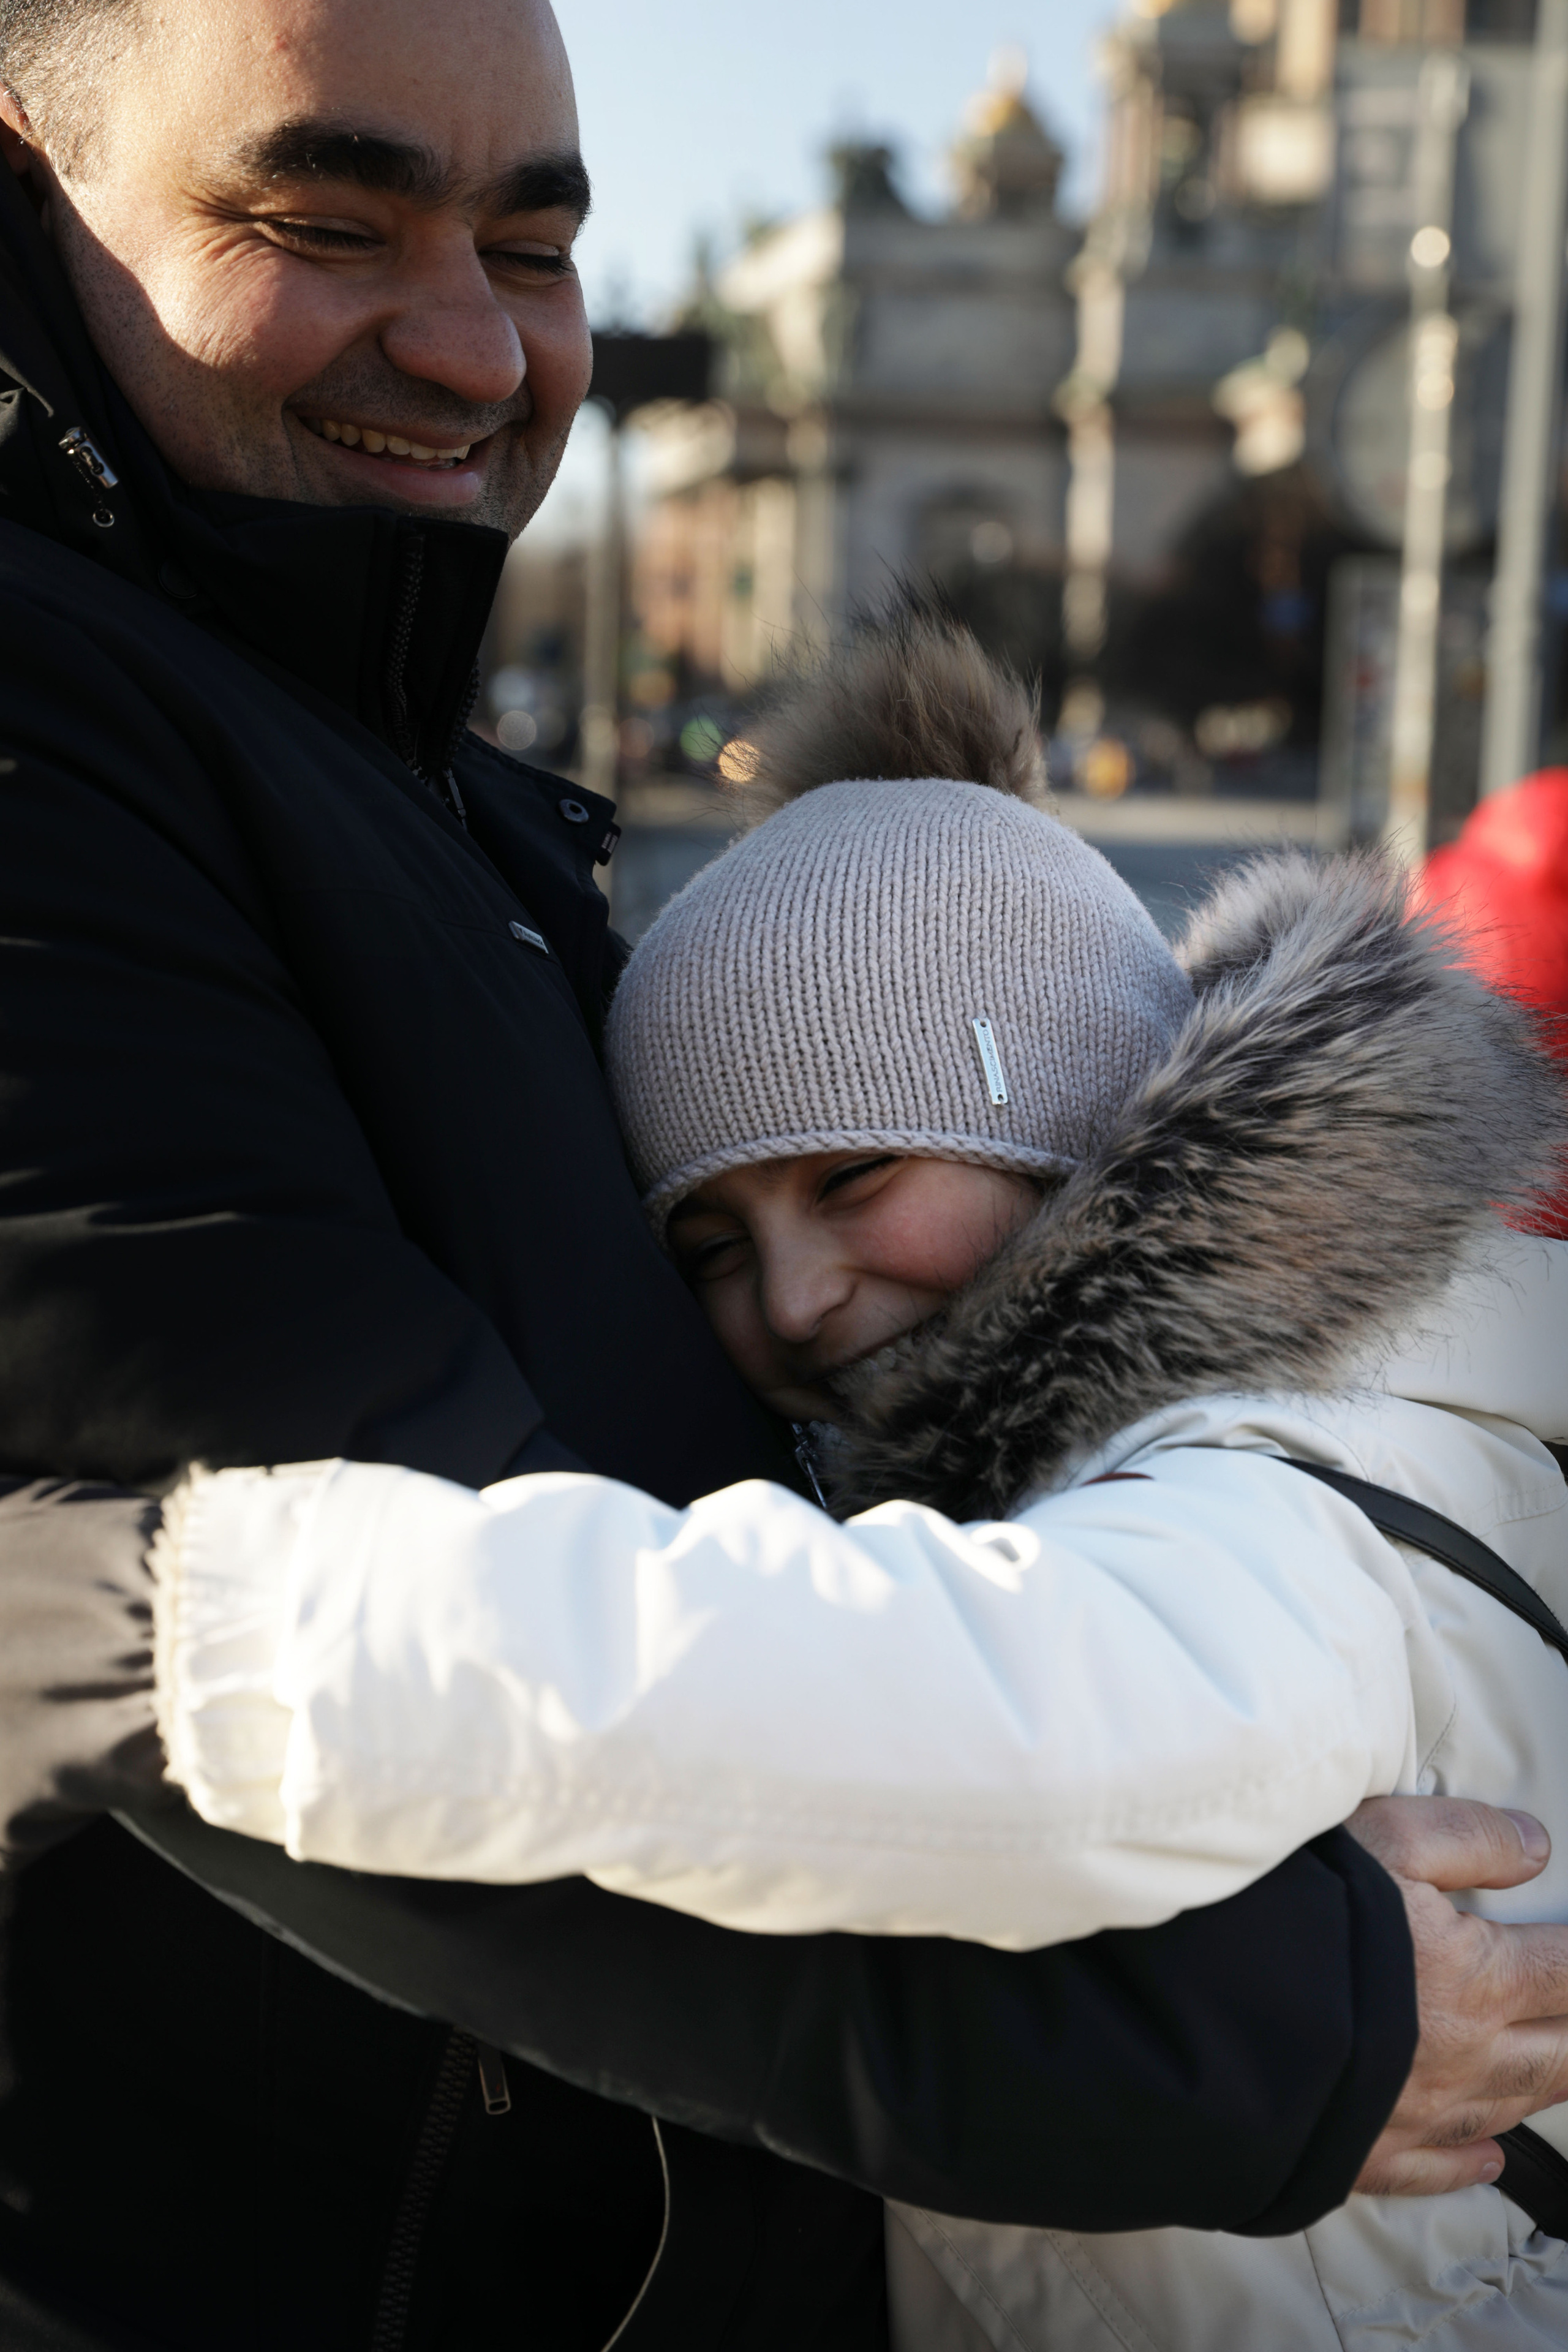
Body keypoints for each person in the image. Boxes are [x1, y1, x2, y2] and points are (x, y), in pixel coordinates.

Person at [0, 0, 1559, 2340]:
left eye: (533, 247)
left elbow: (983, 1710)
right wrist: (162, 1636)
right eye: (322, 221)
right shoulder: (72, 731)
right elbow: (809, 1708)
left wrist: (180, 1633)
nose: (465, 343)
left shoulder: (1258, 1470)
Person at [144, 611, 1568, 2343]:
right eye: (713, 1247)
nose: (798, 1300)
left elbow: (995, 1724)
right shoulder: (1244, 1414)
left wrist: (226, 1620)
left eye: (858, 1175)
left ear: (1056, 1101)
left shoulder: (1284, 1469)